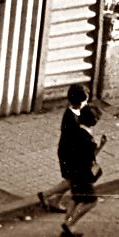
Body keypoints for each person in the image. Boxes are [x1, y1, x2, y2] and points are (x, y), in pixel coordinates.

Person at [38, 83, 89, 214]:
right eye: (85, 100)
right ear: (80, 101)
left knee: (70, 179)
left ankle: (55, 201)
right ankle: (45, 194)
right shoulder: (72, 117)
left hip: (68, 150)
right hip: (69, 153)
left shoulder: (73, 111)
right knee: (72, 180)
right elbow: (76, 138)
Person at [61, 107, 107, 237]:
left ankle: (66, 221)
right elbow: (90, 158)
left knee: (76, 198)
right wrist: (100, 147)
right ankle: (70, 224)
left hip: (73, 172)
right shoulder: (88, 139)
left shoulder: (76, 132)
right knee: (91, 201)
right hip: (83, 175)